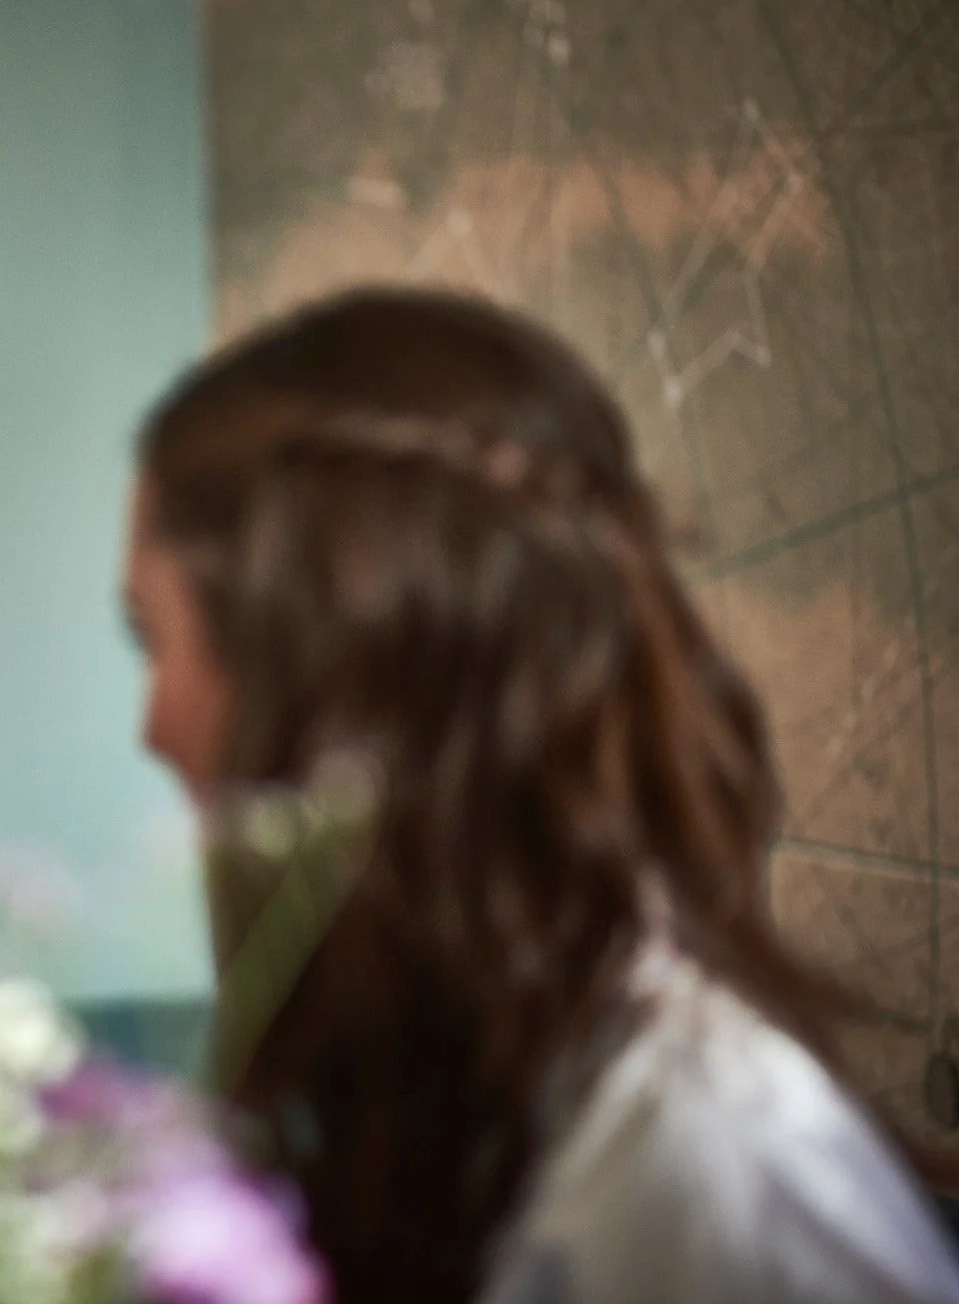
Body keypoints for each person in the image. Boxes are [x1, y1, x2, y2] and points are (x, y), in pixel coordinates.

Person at [121, 287, 959, 1303]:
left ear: (328, 658)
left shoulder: (728, 1185)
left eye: (153, 639)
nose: (150, 727)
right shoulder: (450, 1069)